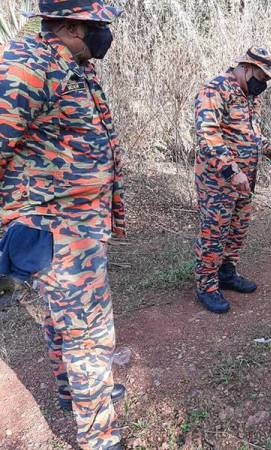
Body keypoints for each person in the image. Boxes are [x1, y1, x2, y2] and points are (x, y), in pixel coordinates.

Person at [0, 1, 129, 448]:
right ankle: (99, 437)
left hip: (80, 226)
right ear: (73, 25)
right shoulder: (26, 66)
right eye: (100, 26)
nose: (106, 34)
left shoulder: (73, 64)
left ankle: (74, 391)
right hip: (57, 228)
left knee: (64, 324)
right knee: (90, 336)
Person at [194, 47, 271, 314]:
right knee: (215, 232)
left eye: (266, 80)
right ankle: (206, 284)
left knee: (237, 229)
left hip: (245, 178)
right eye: (260, 77)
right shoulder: (215, 89)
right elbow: (207, 134)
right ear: (246, 67)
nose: (262, 84)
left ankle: (226, 272)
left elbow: (251, 136)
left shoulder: (249, 96)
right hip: (219, 180)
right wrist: (231, 171)